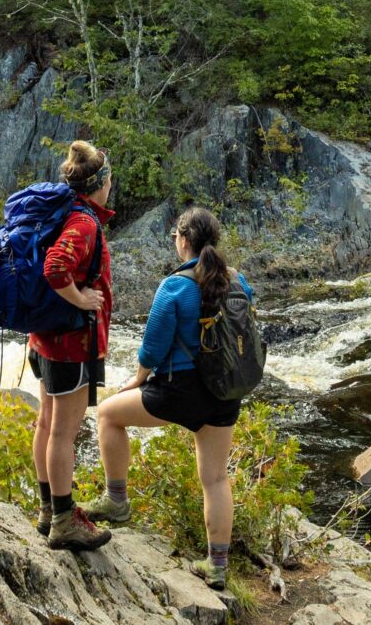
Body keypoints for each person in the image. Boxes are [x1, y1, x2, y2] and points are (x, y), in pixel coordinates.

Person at [82, 206, 253, 590]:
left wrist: (136, 381)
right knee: (216, 478)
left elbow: (153, 349)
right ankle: (217, 566)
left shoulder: (174, 287)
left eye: (176, 236)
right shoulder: (238, 281)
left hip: (180, 391)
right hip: (225, 392)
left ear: (184, 241)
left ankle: (117, 500)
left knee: (108, 414)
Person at [29, 141, 115, 551]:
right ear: (100, 183)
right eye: (109, 180)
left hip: (46, 337)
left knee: (47, 423)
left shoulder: (65, 212)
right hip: (71, 344)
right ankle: (64, 520)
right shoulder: (84, 223)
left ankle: (48, 508)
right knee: (63, 432)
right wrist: (81, 299)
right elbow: (55, 267)